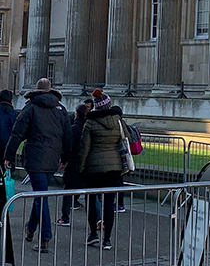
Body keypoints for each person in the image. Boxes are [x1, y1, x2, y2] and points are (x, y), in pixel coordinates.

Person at [6, 80, 66, 252]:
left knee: (41, 196)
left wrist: (9, 156)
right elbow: (67, 134)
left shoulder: (30, 107)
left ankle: (45, 237)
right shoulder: (60, 110)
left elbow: (17, 133)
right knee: (41, 195)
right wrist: (65, 157)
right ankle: (31, 227)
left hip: (35, 158)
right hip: (52, 158)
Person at [73, 91, 127, 250]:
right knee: (109, 204)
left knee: (91, 201)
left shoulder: (90, 123)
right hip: (114, 167)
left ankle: (93, 234)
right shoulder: (118, 121)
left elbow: (84, 148)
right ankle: (108, 239)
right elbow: (127, 140)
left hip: (94, 167)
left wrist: (81, 169)